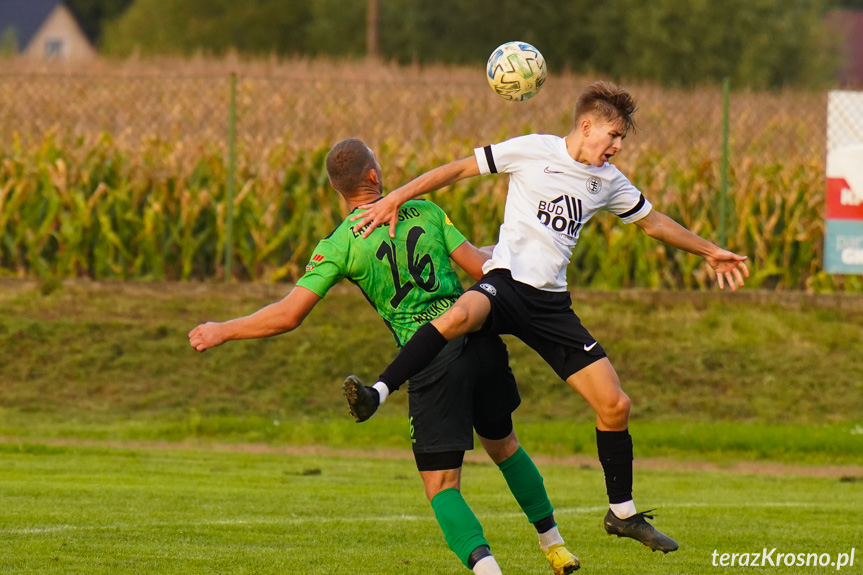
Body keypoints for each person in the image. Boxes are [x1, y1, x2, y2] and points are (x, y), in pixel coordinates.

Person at [345, 81, 750, 554]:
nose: (617, 147)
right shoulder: (532, 149)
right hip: (506, 284)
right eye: (613, 135)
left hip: (550, 305)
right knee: (459, 315)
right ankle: (377, 391)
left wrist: (709, 251)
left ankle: (622, 514)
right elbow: (456, 170)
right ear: (586, 126)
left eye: (622, 140)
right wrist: (395, 197)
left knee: (615, 405)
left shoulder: (610, 181)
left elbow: (652, 221)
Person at [188, 138, 580, 575]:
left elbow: (288, 315)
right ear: (374, 176)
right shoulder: (427, 212)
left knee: (441, 485)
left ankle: (489, 572)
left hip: (428, 356)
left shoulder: (341, 244)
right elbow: (480, 268)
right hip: (480, 336)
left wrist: (223, 329)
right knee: (504, 445)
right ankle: (555, 546)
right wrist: (523, 249)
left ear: (339, 190)